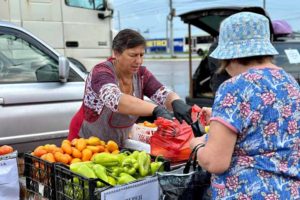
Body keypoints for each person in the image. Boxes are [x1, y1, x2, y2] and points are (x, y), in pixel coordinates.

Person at [190, 12, 300, 199]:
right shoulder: (290, 83)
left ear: (228, 57)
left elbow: (216, 162)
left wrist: (196, 146)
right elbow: (264, 135)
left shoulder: (233, 87)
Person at [68, 29, 192, 147]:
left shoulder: (142, 75)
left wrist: (176, 101)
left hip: (115, 143)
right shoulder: (101, 72)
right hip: (84, 141)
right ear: (116, 53)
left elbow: (162, 93)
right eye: (133, 55)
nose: (139, 61)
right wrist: (155, 109)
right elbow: (115, 100)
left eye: (141, 55)